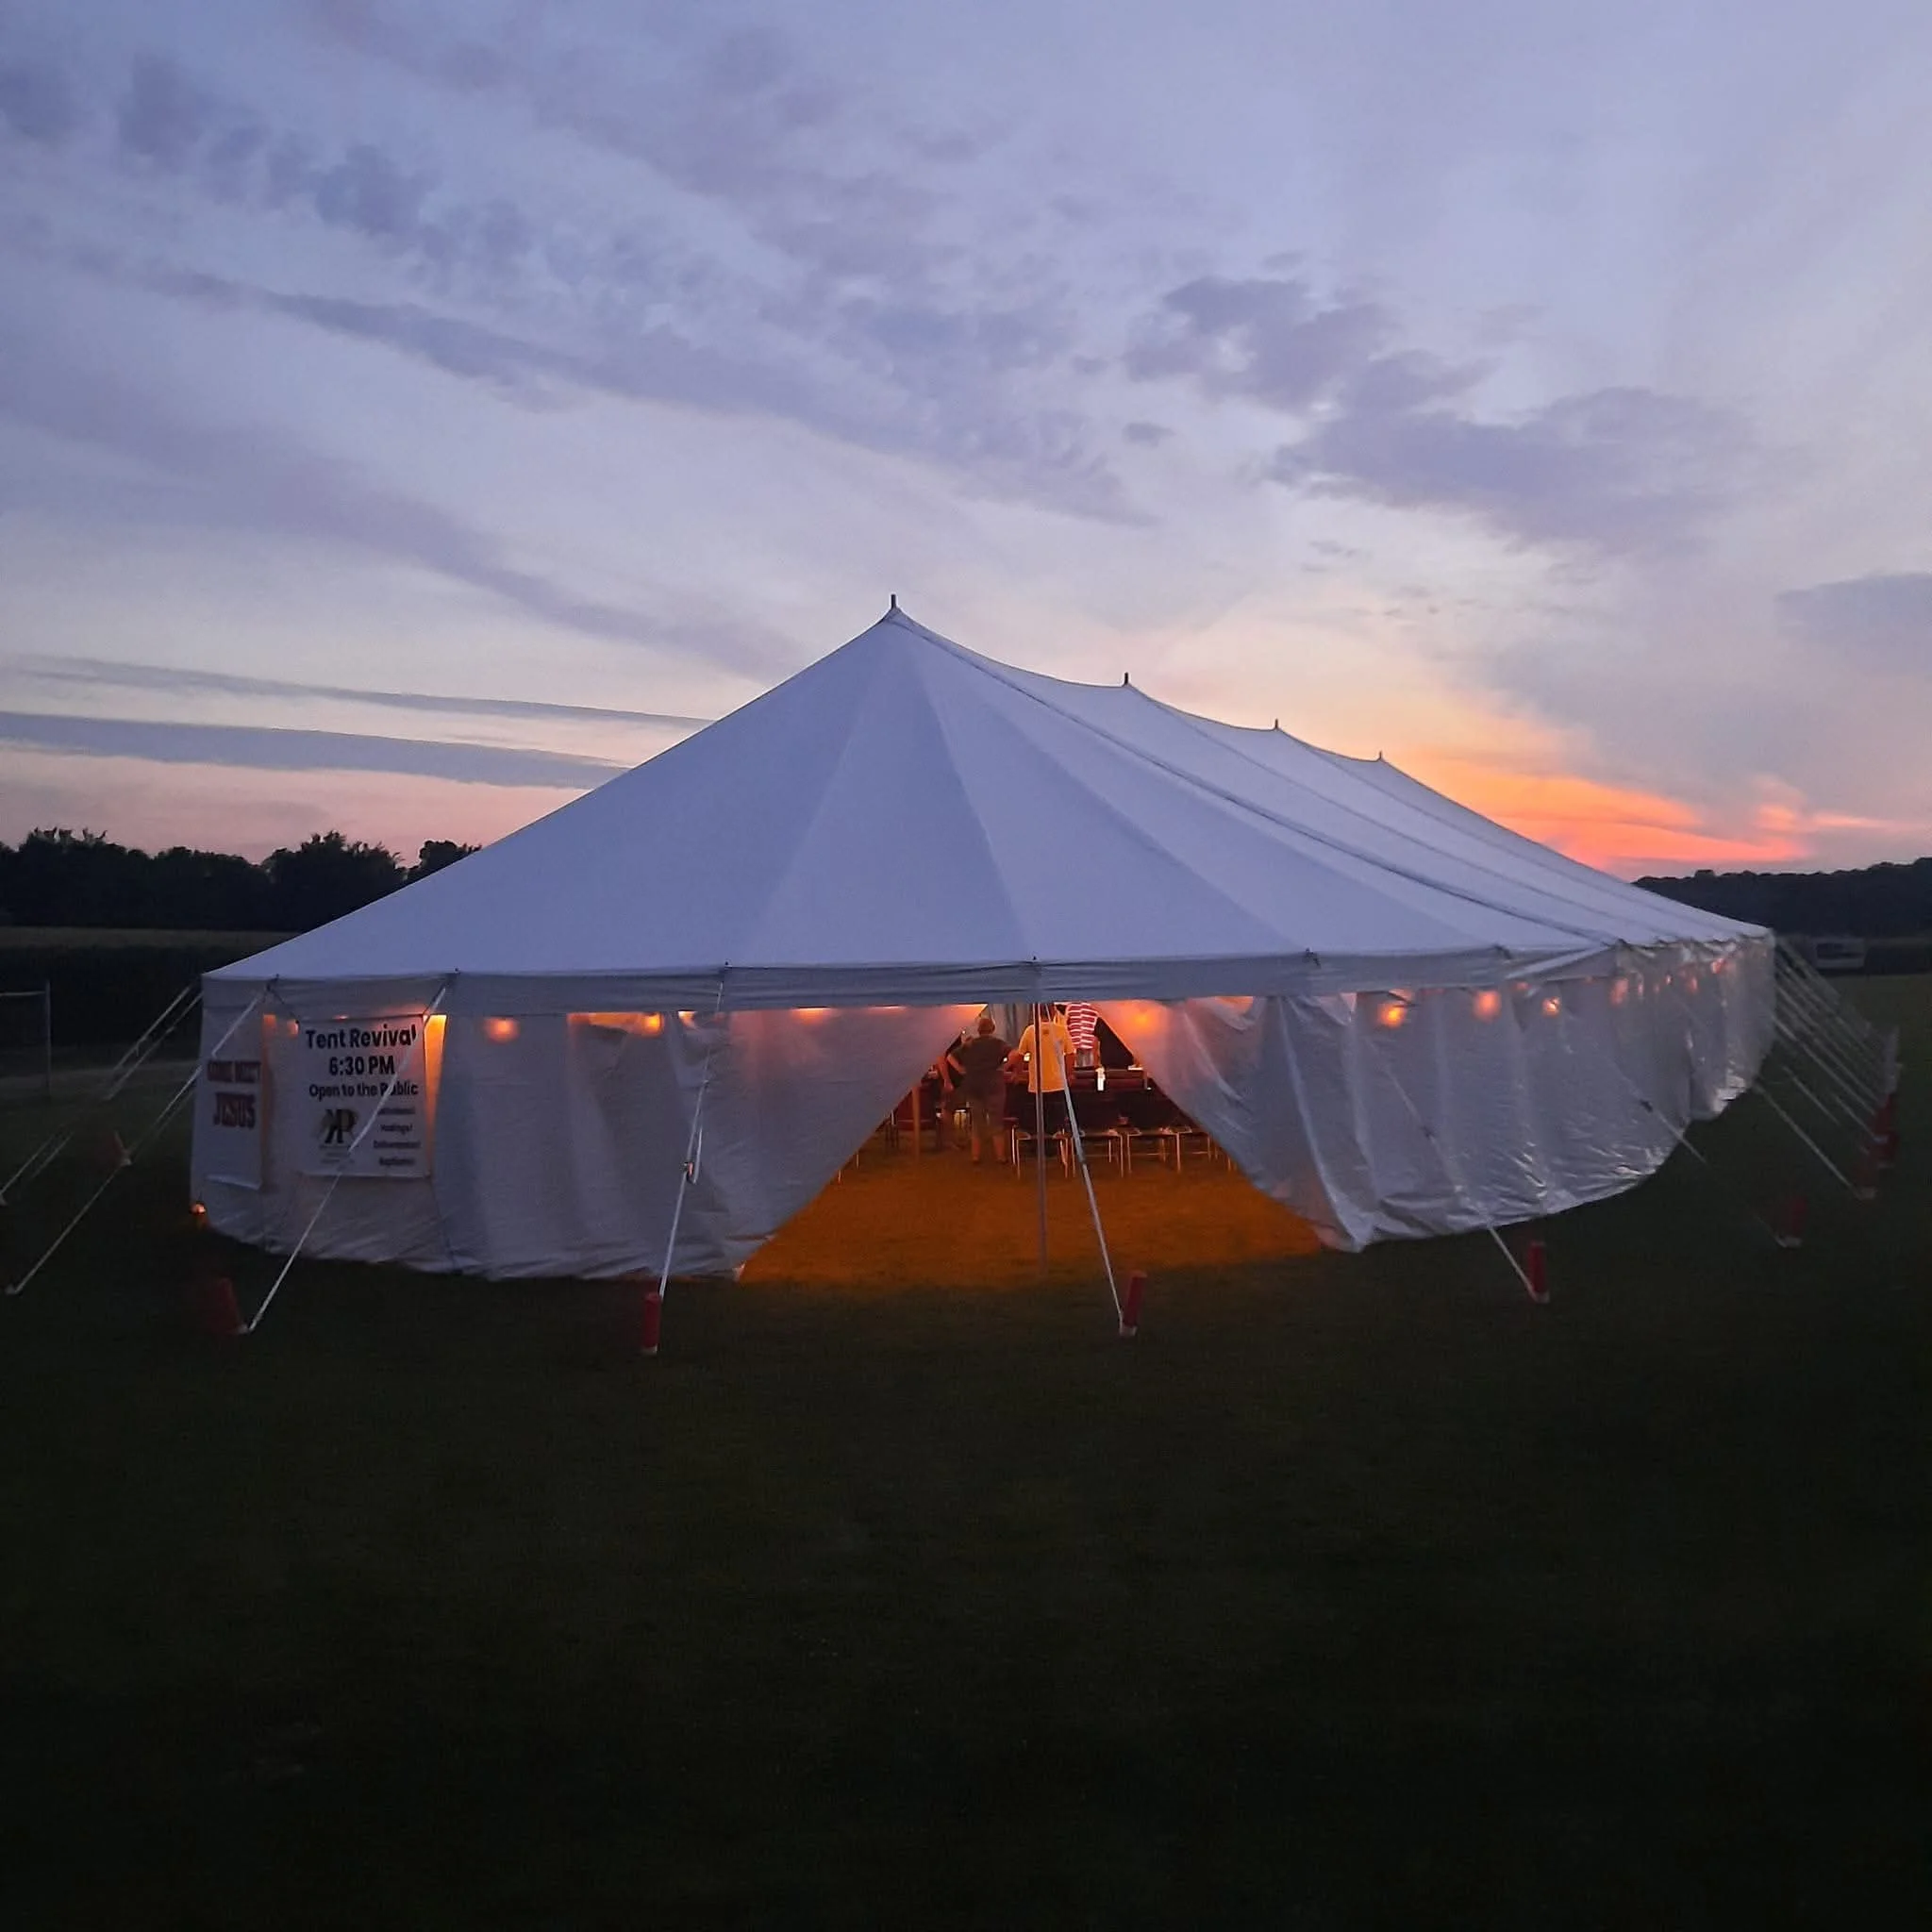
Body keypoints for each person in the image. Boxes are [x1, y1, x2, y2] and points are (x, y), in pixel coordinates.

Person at [948, 1012, 1009, 1164]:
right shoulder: (998, 1044)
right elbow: (1015, 1054)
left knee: (976, 1123)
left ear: (978, 1029)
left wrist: (961, 1069)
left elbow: (950, 1057)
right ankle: (1000, 1157)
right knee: (996, 1122)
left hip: (974, 1085)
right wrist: (1004, 1067)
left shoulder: (970, 1044)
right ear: (993, 1029)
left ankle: (975, 1156)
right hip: (993, 1085)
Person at [1065, 1000, 1099, 1071]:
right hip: (1077, 1044)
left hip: (1087, 1043)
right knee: (1080, 1071)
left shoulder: (1093, 1005)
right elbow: (1067, 1023)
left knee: (1087, 1071)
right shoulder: (1071, 1005)